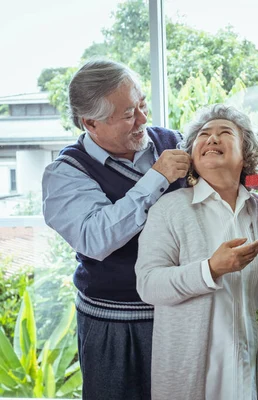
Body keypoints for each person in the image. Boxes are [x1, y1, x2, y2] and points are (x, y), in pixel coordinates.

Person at [42, 59, 190, 400]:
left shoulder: (175, 142)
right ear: (90, 122)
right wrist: (157, 178)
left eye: (141, 105)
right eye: (128, 114)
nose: (142, 119)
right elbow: (97, 238)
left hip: (183, 315)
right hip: (114, 326)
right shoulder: (65, 174)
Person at [135, 104, 258, 400]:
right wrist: (210, 269)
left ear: (245, 154)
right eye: (203, 134)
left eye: (225, 133)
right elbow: (148, 285)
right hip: (197, 381)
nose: (211, 139)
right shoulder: (169, 210)